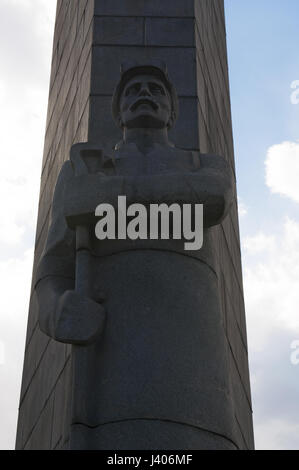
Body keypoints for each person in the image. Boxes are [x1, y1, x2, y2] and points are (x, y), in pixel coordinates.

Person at [35, 62, 237, 450]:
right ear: (117, 112)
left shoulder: (206, 166)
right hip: (110, 356)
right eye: (132, 90)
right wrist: (56, 307)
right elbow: (53, 266)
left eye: (156, 90)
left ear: (174, 111)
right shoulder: (80, 171)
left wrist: (103, 197)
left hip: (194, 360)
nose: (144, 94)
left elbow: (212, 197)